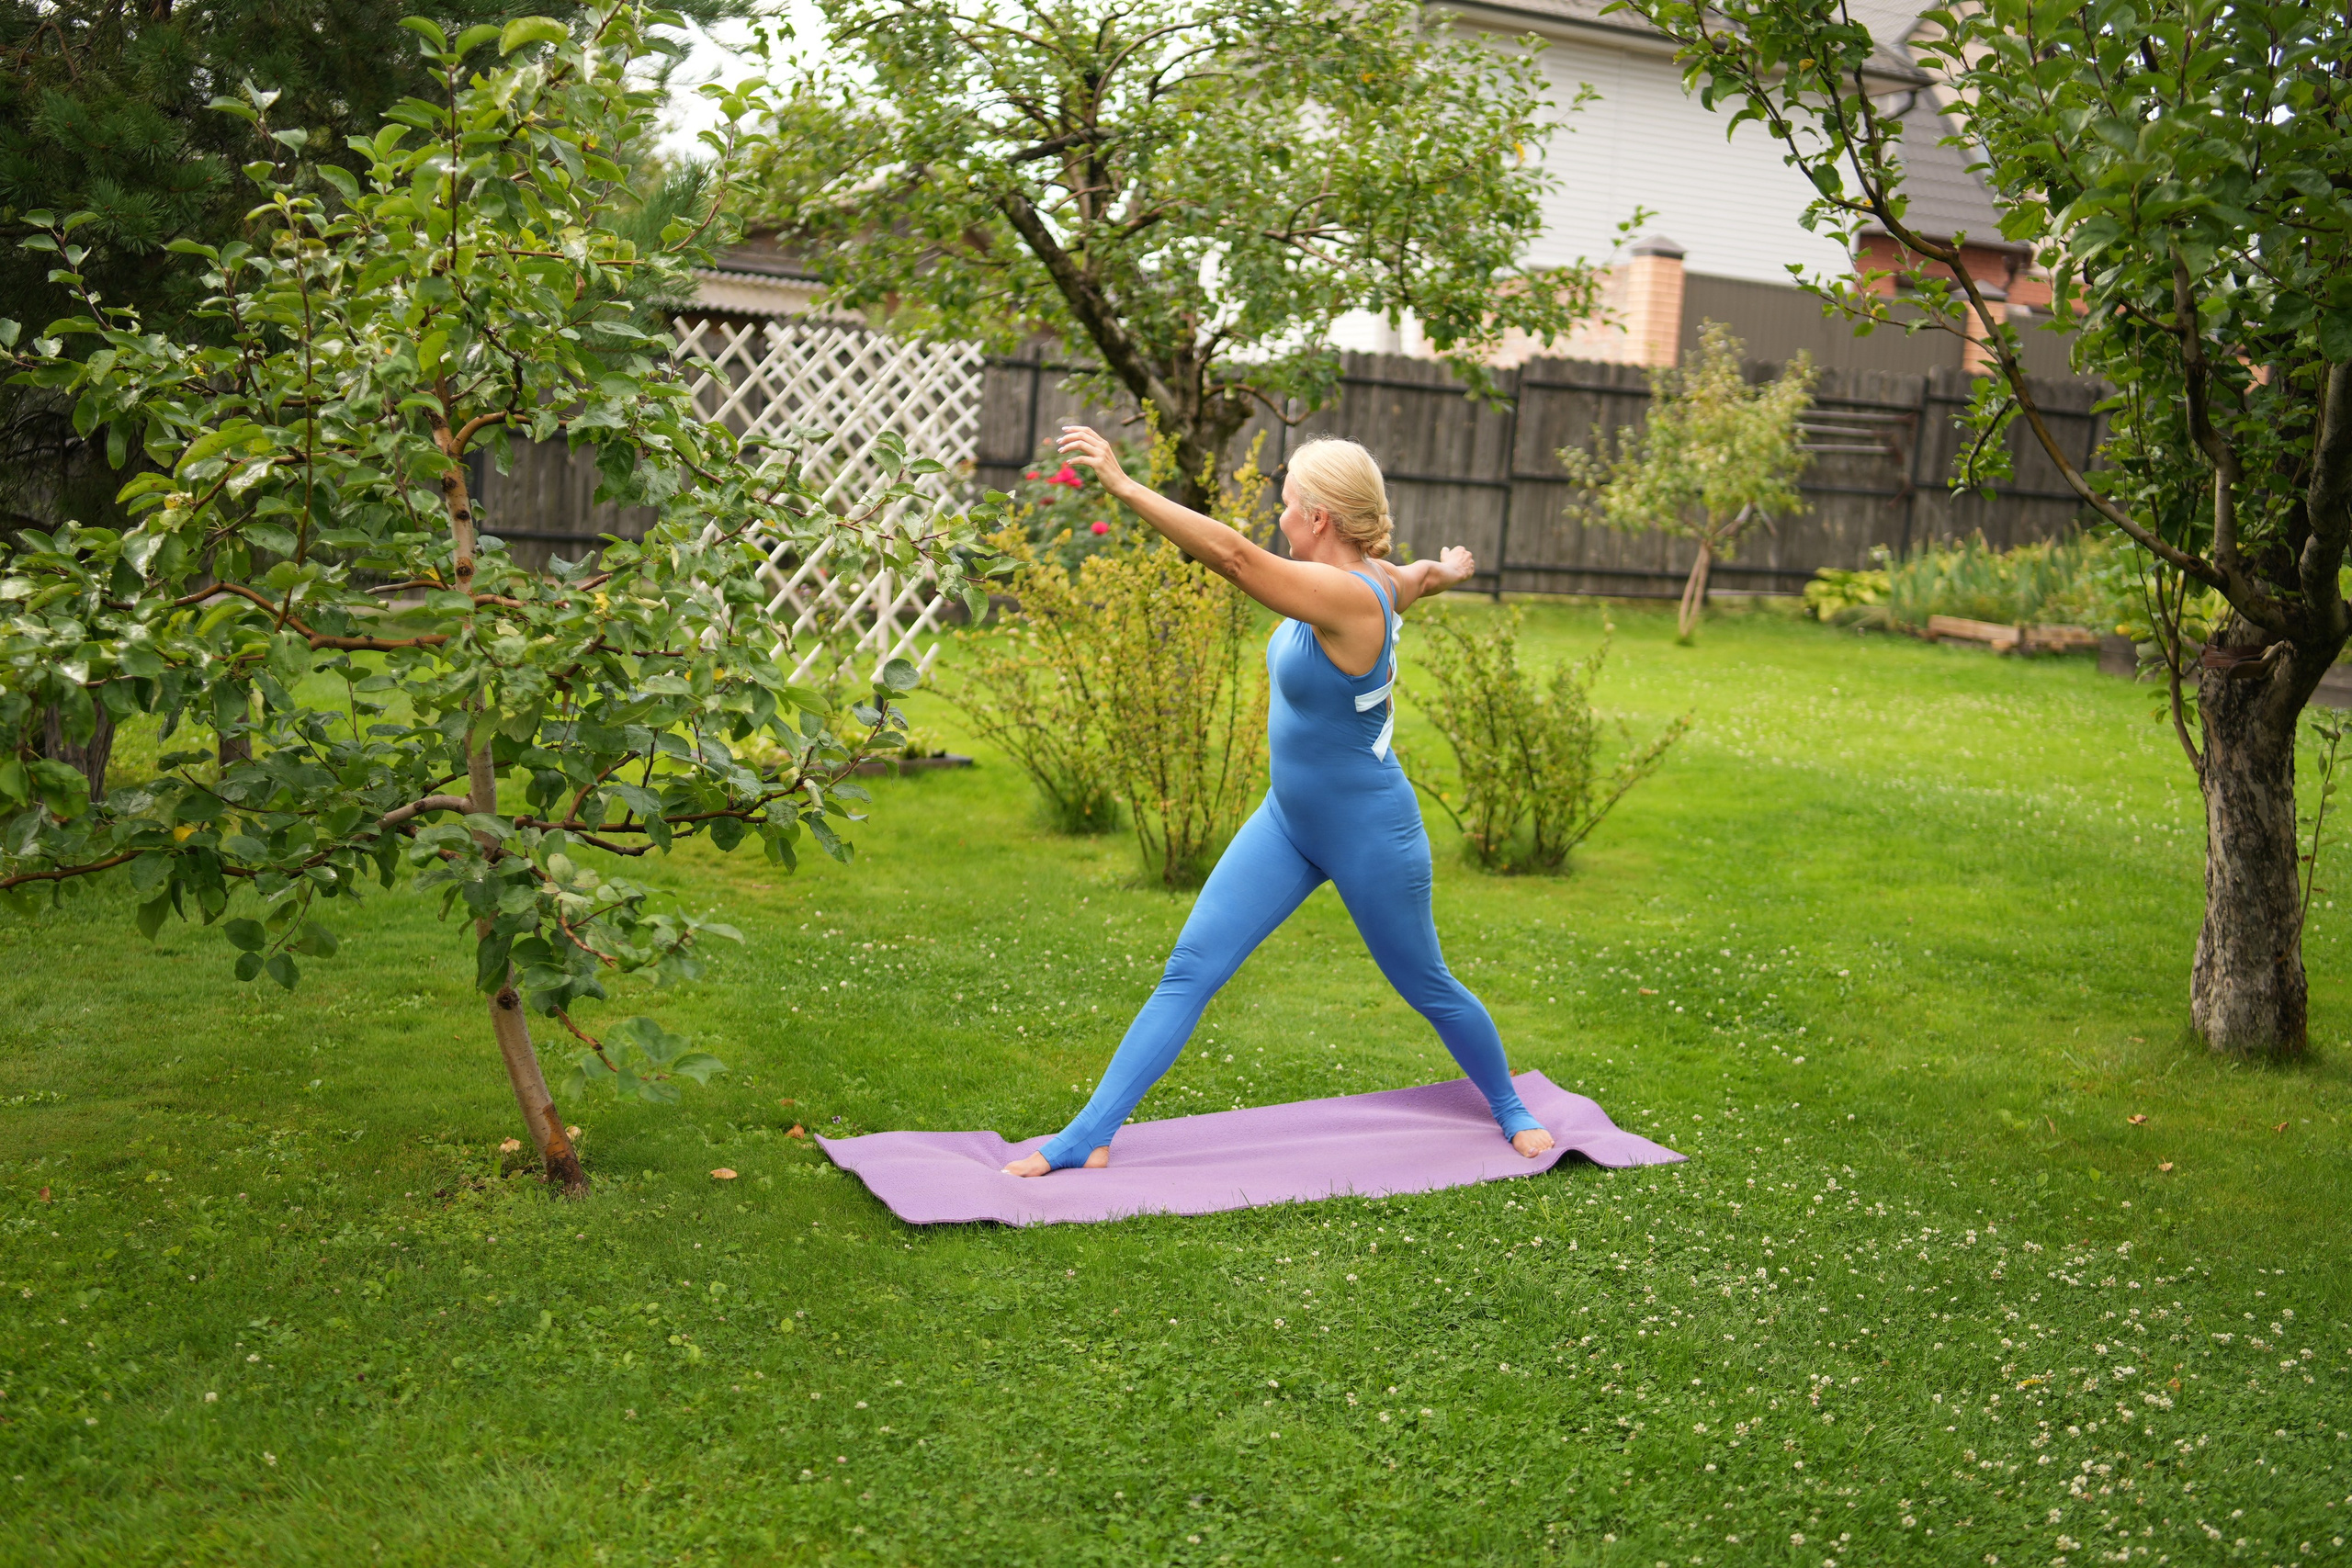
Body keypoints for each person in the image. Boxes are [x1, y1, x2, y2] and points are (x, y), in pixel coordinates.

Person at [1001, 427, 1556, 1177]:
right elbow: (1418, 576)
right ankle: (1088, 1133)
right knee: (1190, 966)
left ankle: (1510, 1106)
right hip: (1290, 821)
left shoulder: (1345, 593)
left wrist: (1127, 488)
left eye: (1286, 500)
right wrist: (1449, 568)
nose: (1278, 513)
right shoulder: (1382, 579)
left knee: (1426, 981)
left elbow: (1232, 557)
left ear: (1320, 517)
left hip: (1371, 833)